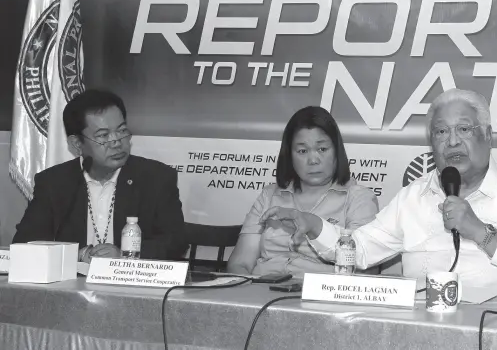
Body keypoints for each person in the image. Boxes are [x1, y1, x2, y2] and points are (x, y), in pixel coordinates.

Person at [260, 89, 497, 293]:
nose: (452, 142)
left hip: (494, 332)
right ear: (431, 144)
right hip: (420, 329)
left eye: (464, 129)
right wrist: (315, 226)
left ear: (488, 136)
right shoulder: (413, 197)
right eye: (441, 132)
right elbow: (361, 250)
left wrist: (480, 232)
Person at [13, 89, 188, 262]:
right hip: (72, 285)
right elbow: (26, 243)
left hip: (133, 285)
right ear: (76, 144)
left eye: (121, 131)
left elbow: (176, 242)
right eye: (103, 136)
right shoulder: (53, 183)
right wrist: (80, 255)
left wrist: (124, 255)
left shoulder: (156, 178)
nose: (117, 142)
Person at [227, 106, 379, 276]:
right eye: (302, 151)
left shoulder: (359, 198)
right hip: (261, 289)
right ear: (289, 155)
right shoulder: (269, 196)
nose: (313, 160)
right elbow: (240, 264)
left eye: (322, 149)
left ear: (337, 151)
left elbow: (363, 268)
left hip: (322, 295)